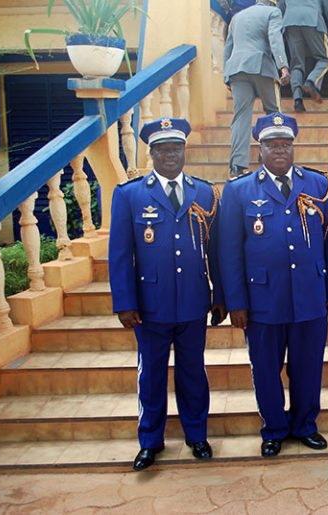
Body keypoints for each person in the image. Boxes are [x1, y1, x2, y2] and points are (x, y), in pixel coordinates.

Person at [219, 112, 328, 458]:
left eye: (285, 144)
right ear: (259, 149)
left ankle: (305, 425)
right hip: (262, 300)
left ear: (293, 146)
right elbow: (229, 252)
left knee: (308, 366)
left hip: (309, 296)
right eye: (271, 144)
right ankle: (273, 429)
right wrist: (236, 302)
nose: (279, 150)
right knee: (265, 369)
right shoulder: (238, 191)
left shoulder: (319, 186)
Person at [108, 117, 226, 471]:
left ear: (184, 151)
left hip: (192, 302)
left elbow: (216, 250)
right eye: (162, 149)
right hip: (150, 305)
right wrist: (125, 303)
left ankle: (196, 435)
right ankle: (150, 441)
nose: (170, 155)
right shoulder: (129, 195)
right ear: (152, 153)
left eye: (175, 148)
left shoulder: (204, 192)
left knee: (193, 372)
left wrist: (219, 295)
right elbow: (119, 255)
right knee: (152, 375)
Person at [223, 0, 290, 177]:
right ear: (272, 3)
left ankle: (237, 165)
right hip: (261, 66)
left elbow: (228, 47)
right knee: (274, 113)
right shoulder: (273, 13)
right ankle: (272, 156)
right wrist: (283, 65)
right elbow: (275, 38)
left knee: (241, 116)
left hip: (236, 69)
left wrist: (226, 76)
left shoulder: (236, 18)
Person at [279, 0, 328, 112]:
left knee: (296, 65)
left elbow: (281, 6)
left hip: (290, 22)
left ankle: (298, 100)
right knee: (325, 59)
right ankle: (311, 82)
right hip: (313, 20)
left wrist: (281, 31)